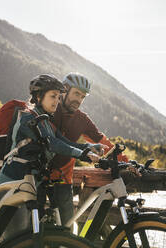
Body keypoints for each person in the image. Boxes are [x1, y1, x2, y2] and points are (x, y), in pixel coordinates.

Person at [0, 74, 103, 239]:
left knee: (25, 238)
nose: (56, 101)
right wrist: (84, 155)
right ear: (38, 97)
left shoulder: (45, 121)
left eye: (58, 97)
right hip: (12, 184)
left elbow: (65, 141)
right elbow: (53, 144)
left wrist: (89, 147)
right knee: (15, 239)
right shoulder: (29, 118)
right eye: (53, 96)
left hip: (28, 186)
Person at [47, 72, 128, 226]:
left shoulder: (81, 119)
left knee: (67, 227)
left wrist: (127, 163)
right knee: (33, 228)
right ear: (64, 90)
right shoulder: (49, 109)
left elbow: (105, 144)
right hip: (39, 177)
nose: (79, 99)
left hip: (63, 179)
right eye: (76, 93)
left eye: (83, 96)